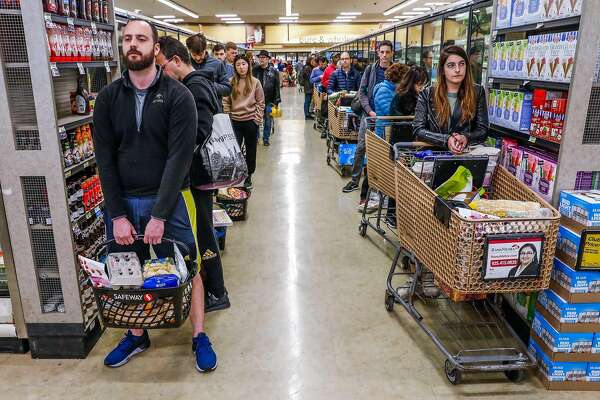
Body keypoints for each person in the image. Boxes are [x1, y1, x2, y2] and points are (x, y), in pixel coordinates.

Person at [93, 19, 217, 372]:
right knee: (126, 272)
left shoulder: (180, 96)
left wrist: (160, 214)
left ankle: (198, 335)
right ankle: (137, 333)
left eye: (141, 38)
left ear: (155, 48)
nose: (134, 44)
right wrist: (117, 215)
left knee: (187, 266)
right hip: (123, 204)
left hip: (169, 199)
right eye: (128, 38)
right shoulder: (107, 99)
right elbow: (105, 160)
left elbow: (179, 158)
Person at [157, 36, 230, 314]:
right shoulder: (198, 83)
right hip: (199, 174)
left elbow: (199, 132)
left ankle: (216, 291)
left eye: (162, 66)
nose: (161, 73)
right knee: (202, 230)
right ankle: (213, 287)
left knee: (203, 233)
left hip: (198, 175)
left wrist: (174, 152)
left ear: (176, 61)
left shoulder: (194, 86)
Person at [413, 45, 488, 154]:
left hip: (465, 156)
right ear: (442, 70)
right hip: (433, 156)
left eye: (461, 64)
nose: (457, 69)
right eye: (451, 65)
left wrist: (466, 138)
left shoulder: (477, 92)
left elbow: (483, 129)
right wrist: (446, 140)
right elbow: (418, 129)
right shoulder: (427, 93)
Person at [342, 40, 393, 196]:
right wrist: (370, 111)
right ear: (377, 53)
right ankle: (355, 180)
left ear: (392, 53)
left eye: (387, 52)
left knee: (384, 150)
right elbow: (362, 92)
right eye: (382, 52)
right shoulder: (370, 69)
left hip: (388, 118)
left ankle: (382, 184)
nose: (384, 55)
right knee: (361, 147)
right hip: (369, 115)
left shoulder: (396, 71)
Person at [384, 65, 429, 228]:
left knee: (411, 181)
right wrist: (413, 119)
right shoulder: (400, 96)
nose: (422, 88)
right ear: (412, 83)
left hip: (415, 145)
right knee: (398, 179)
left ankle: (407, 214)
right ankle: (391, 213)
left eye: (424, 84)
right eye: (419, 84)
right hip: (400, 144)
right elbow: (393, 116)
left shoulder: (423, 97)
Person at [223, 55, 265, 189]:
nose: (241, 67)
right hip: (235, 122)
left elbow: (260, 102)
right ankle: (235, 176)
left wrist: (256, 120)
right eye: (238, 65)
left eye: (244, 64)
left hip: (250, 122)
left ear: (248, 65)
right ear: (235, 67)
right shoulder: (230, 82)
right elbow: (226, 101)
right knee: (234, 151)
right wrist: (228, 116)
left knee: (251, 150)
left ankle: (248, 176)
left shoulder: (255, 82)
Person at [186, 34, 231, 98]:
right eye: (194, 55)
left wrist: (209, 85)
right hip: (192, 106)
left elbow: (227, 89)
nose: (198, 58)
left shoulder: (217, 64)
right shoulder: (186, 64)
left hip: (212, 107)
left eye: (201, 54)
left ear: (205, 49)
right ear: (189, 51)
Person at [253, 50, 281, 146]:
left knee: (268, 120)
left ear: (268, 59)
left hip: (270, 100)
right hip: (255, 100)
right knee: (256, 119)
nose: (261, 59)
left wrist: (277, 102)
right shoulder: (254, 69)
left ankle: (266, 138)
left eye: (264, 57)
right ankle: (256, 137)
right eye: (260, 57)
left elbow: (277, 86)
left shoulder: (274, 71)